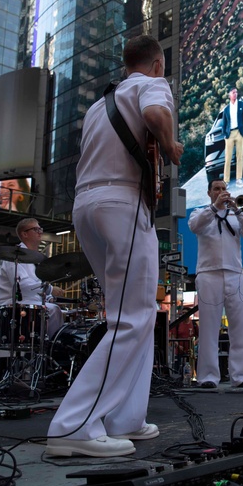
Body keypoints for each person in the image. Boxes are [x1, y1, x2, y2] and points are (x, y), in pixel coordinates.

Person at [46, 35, 183, 458]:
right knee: (133, 318)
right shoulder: (152, 84)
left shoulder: (96, 107)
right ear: (157, 64)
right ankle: (75, 425)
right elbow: (157, 114)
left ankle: (126, 417)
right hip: (122, 205)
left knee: (134, 315)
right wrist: (171, 145)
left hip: (87, 207)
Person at [189, 178, 243, 389]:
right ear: (209, 192)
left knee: (240, 326)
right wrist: (215, 207)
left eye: (224, 189)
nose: (221, 192)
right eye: (217, 189)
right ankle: (208, 376)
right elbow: (194, 226)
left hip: (235, 273)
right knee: (209, 327)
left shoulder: (236, 215)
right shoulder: (199, 213)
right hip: (208, 274)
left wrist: (237, 210)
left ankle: (242, 375)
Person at [0, 218, 65, 342]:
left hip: (30, 304)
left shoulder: (35, 260)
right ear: (24, 234)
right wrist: (51, 289)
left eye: (40, 229)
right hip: (11, 306)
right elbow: (23, 286)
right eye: (36, 229)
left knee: (60, 310)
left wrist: (49, 298)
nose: (40, 232)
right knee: (54, 310)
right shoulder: (14, 257)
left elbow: (35, 290)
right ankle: (52, 348)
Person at [220, 87, 243, 187]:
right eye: (233, 92)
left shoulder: (242, 105)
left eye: (236, 92)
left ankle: (239, 180)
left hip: (240, 133)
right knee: (228, 158)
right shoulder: (226, 109)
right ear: (229, 95)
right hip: (229, 135)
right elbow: (224, 123)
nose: (235, 94)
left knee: (239, 157)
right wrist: (225, 134)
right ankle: (226, 181)